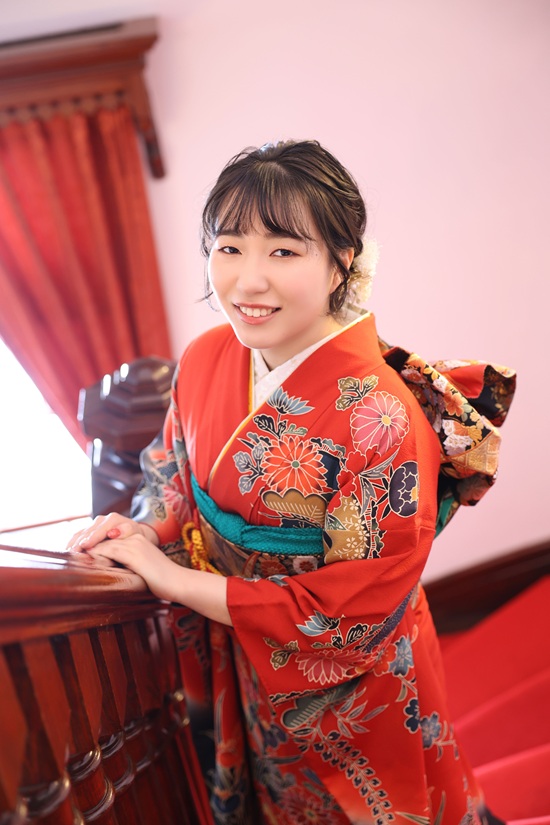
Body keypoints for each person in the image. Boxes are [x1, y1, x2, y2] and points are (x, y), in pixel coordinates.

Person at [69, 140, 515, 825]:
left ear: (341, 261)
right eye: (229, 248)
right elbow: (172, 469)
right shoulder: (206, 356)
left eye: (283, 251)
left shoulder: (381, 415)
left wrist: (177, 581)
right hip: (243, 645)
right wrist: (146, 529)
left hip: (349, 678)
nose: (248, 281)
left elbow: (353, 611)